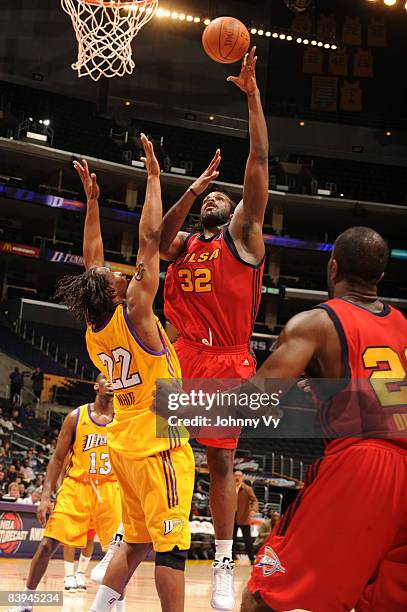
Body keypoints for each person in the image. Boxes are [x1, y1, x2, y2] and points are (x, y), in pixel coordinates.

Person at [54, 134, 194, 612]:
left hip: (125, 443)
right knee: (172, 548)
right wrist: (154, 177)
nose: (119, 272)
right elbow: (150, 240)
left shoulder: (95, 329)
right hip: (160, 442)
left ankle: (98, 610)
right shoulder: (135, 311)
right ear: (116, 293)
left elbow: (90, 260)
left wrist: (92, 204)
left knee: (134, 544)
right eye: (117, 276)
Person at [234, 227, 407, 611]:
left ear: (333, 268)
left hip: (363, 464)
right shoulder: (403, 326)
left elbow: (252, 403)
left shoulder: (316, 323)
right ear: (380, 276)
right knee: (377, 600)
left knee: (266, 592)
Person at [160, 47, 269, 610]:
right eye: (214, 196)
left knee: (220, 462)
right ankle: (130, 540)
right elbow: (155, 240)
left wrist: (251, 95)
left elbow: (257, 165)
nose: (219, 199)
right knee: (153, 449)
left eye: (223, 197)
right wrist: (195, 188)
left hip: (227, 359)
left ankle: (225, 566)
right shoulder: (184, 245)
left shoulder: (242, 237)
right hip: (178, 355)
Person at [6, 373, 122, 612]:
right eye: (105, 379)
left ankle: (119, 608)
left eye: (115, 379)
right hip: (77, 487)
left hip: (110, 489)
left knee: (119, 554)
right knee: (48, 544)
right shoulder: (76, 417)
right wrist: (46, 497)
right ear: (95, 386)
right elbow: (57, 459)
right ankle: (25, 602)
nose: (110, 383)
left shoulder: (124, 419)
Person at [232, 472, 258, 565]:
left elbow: (254, 500)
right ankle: (231, 559)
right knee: (232, 539)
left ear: (242, 478)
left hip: (244, 517)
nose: (237, 478)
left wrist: (254, 510)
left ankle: (252, 558)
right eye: (236, 476)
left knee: (248, 540)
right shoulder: (229, 487)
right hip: (232, 518)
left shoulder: (247, 489)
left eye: (239, 476)